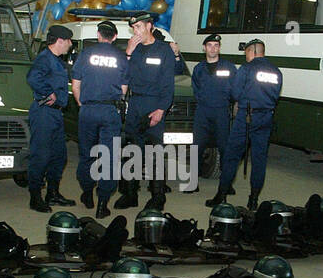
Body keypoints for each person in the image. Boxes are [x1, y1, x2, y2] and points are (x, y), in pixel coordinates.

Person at [115, 12, 186, 209]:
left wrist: (161, 109)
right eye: (133, 28)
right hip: (135, 104)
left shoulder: (163, 50)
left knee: (154, 153)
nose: (135, 31)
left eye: (138, 27)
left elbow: (167, 85)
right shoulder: (134, 50)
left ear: (149, 26)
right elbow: (124, 75)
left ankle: (157, 197)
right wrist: (128, 52)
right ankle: (130, 194)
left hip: (154, 104)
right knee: (131, 151)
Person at [207, 38, 281, 210]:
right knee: (259, 159)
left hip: (246, 118)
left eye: (246, 52)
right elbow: (275, 96)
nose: (245, 55)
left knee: (232, 156)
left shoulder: (247, 69)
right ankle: (253, 199)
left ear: (252, 52)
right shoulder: (276, 71)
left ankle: (221, 195)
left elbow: (235, 93)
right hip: (266, 118)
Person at [71, 20, 128, 219]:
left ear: (98, 35)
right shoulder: (120, 57)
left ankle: (87, 193)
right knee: (109, 158)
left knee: (87, 155)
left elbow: (75, 84)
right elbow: (123, 90)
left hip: (88, 109)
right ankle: (102, 203)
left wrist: (82, 104)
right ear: (114, 37)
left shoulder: (85, 54)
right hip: (109, 110)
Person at [25, 24, 74, 212]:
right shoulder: (45, 59)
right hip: (44, 113)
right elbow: (32, 78)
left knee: (58, 156)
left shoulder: (57, 61)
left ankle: (53, 193)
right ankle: (35, 197)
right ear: (60, 41)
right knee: (41, 156)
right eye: (69, 41)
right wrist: (48, 94)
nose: (70, 44)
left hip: (56, 113)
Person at [185, 32, 236, 195]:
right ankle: (193, 182)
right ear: (204, 48)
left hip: (221, 111)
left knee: (224, 147)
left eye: (216, 45)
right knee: (196, 147)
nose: (213, 48)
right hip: (203, 112)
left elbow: (235, 89)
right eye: (209, 45)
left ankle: (226, 184)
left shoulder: (229, 67)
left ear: (219, 48)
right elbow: (196, 89)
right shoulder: (199, 68)